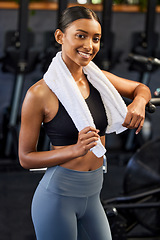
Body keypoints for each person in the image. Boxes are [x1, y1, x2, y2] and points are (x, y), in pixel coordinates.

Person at [19, 6, 151, 240]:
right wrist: (75, 150)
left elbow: (141, 88)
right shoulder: (39, 94)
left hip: (92, 196)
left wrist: (139, 103)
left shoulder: (99, 79)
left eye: (96, 38)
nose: (89, 46)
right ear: (60, 37)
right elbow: (26, 158)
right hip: (57, 197)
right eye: (81, 35)